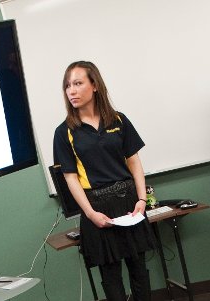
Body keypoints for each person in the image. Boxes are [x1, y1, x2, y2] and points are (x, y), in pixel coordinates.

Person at [53, 61, 156, 301]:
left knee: (139, 269)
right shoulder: (64, 132)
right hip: (96, 208)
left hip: (129, 203)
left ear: (95, 85)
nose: (72, 91)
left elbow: (134, 161)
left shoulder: (118, 120)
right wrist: (90, 214)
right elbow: (70, 178)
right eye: (68, 86)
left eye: (78, 83)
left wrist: (142, 199)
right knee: (110, 276)